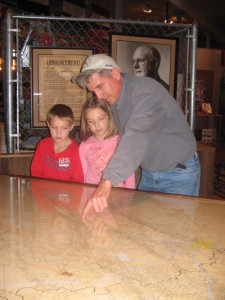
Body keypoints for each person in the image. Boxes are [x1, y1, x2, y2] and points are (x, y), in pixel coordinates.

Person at [72, 53, 200, 217]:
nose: (99, 96)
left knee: (177, 234)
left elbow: (136, 137)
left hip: (178, 174)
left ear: (115, 74)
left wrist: (107, 181)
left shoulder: (147, 91)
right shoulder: (113, 101)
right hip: (149, 173)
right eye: (93, 91)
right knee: (143, 232)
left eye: (100, 86)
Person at [79, 95, 135, 189]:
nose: (97, 125)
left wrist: (129, 196)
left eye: (101, 119)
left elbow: (129, 175)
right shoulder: (84, 146)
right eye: (91, 121)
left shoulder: (121, 142)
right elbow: (83, 175)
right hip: (92, 194)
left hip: (118, 194)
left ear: (109, 116)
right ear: (86, 123)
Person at [30, 104, 84, 183]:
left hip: (67, 193)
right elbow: (35, 172)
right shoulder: (43, 145)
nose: (58, 132)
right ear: (48, 125)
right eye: (54, 127)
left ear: (71, 127)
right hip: (44, 191)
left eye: (64, 128)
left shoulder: (76, 151)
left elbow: (77, 179)